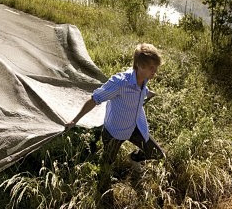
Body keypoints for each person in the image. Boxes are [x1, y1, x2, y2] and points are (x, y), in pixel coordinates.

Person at [65, 43, 166, 206]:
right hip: (114, 133)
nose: (155, 72)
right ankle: (102, 200)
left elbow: (142, 90)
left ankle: (133, 158)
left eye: (156, 68)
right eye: (152, 68)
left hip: (135, 127)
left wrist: (148, 93)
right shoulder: (120, 83)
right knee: (105, 171)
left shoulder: (144, 79)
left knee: (157, 154)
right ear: (139, 65)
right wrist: (75, 120)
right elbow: (94, 99)